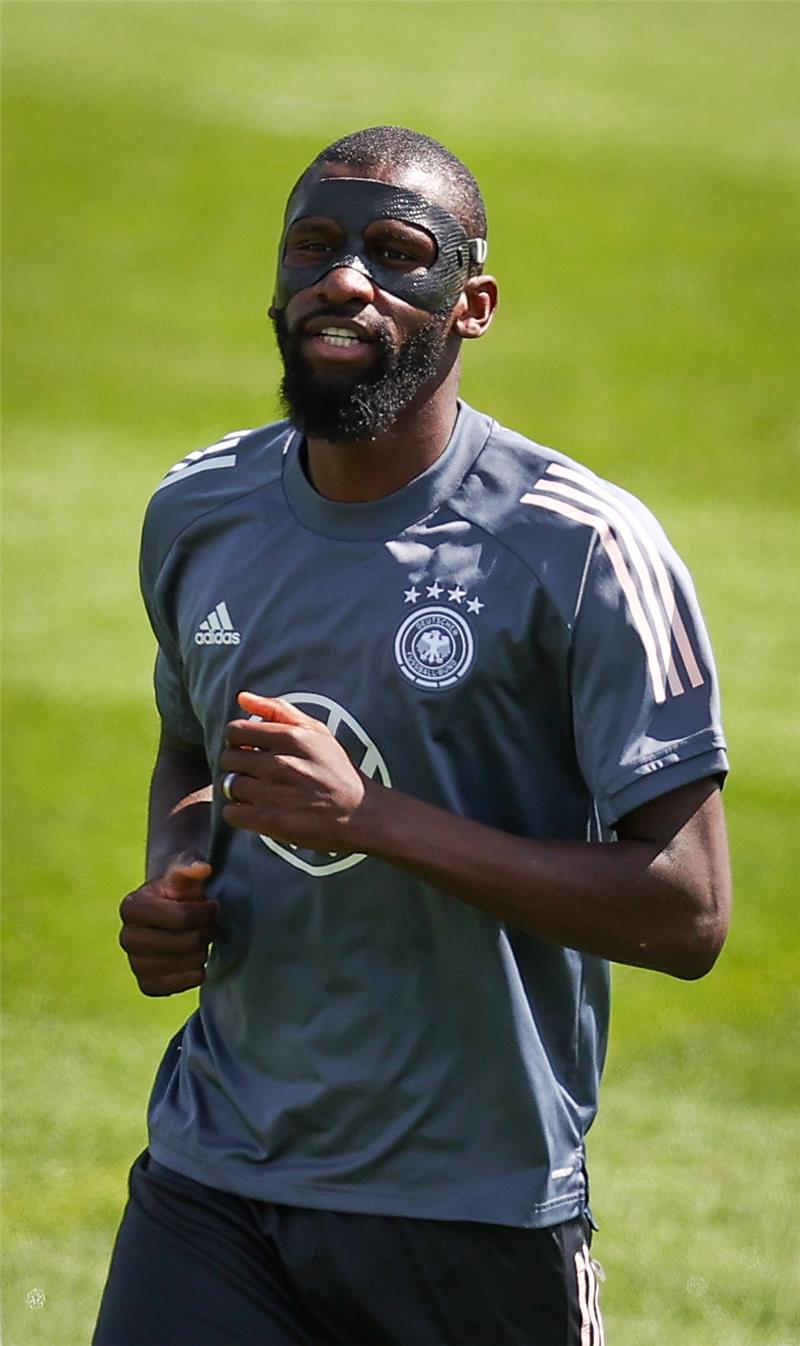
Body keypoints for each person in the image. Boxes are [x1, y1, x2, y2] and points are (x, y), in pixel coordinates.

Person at [93, 126, 731, 1346]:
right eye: (315, 247)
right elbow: (192, 739)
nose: (345, 278)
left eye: (398, 253)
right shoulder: (198, 508)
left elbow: (688, 910)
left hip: (473, 1207)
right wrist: (176, 875)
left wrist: (367, 819)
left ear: (472, 304)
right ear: (278, 285)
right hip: (219, 1172)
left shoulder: (580, 547)